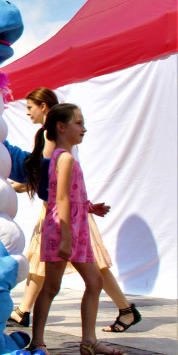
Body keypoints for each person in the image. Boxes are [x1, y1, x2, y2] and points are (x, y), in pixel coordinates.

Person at [9, 88, 141, 333]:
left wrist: (83, 210)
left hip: (64, 214)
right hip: (64, 214)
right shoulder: (57, 144)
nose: (27, 112)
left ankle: (27, 315)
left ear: (45, 108)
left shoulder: (54, 141)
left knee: (86, 270)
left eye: (30, 107)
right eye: (79, 123)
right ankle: (27, 315)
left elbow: (53, 185)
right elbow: (53, 182)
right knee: (56, 272)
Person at [27, 104, 124, 355]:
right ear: (61, 127)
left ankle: (89, 341)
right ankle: (37, 341)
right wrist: (66, 238)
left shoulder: (64, 156)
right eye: (78, 123)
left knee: (95, 282)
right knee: (51, 287)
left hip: (74, 229)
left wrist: (91, 207)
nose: (84, 128)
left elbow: (69, 195)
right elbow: (60, 200)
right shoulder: (65, 157)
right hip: (64, 230)